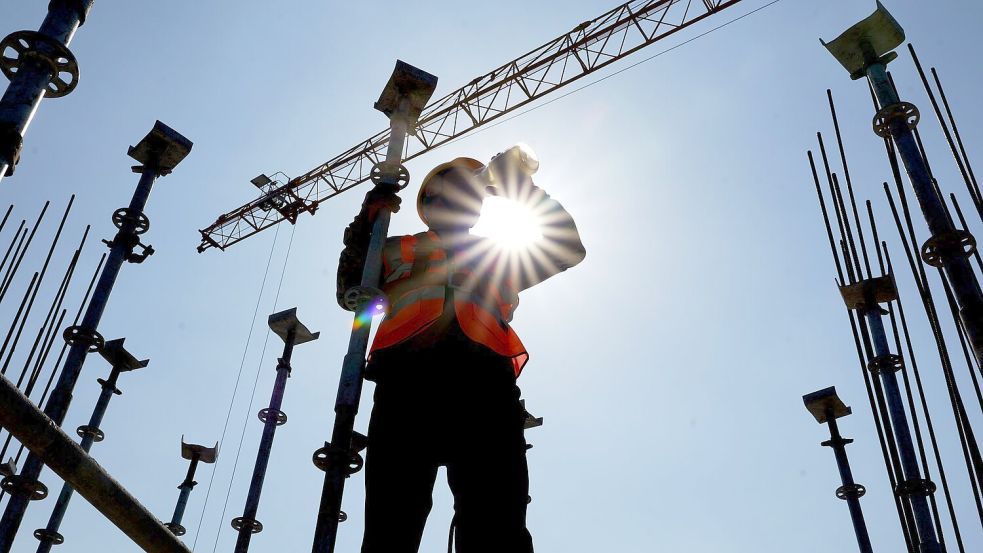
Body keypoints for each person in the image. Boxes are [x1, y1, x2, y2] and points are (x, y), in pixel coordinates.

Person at [337, 155, 585, 553]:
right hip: (407, 386)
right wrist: (366, 221)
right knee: (392, 525)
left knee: (497, 527)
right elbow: (349, 289)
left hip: (484, 387)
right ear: (432, 200)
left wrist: (523, 191)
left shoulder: (497, 254)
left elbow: (566, 249)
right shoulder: (394, 247)